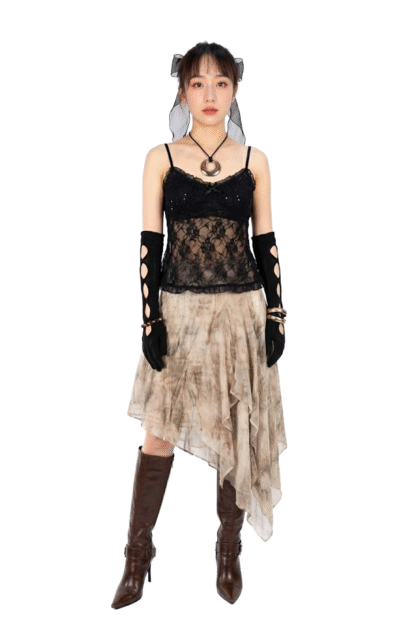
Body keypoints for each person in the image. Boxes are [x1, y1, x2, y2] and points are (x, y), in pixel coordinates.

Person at [111, 41, 288, 609]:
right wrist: (149, 320)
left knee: (236, 427)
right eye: (197, 83)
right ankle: (137, 555)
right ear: (182, 91)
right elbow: (149, 244)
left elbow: (266, 242)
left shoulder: (255, 160)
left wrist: (277, 314)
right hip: (180, 312)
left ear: (234, 90)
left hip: (241, 312)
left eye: (220, 83)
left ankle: (228, 550)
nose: (209, 94)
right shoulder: (160, 158)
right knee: (158, 432)